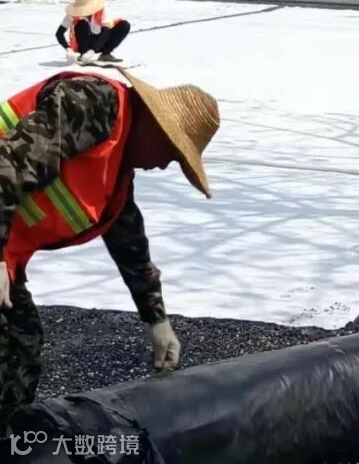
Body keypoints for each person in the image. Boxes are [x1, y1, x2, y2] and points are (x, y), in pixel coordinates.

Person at [0, 68, 220, 430]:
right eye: (172, 152)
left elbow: (128, 240)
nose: (164, 164)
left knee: (19, 351)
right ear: (155, 126)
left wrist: (156, 318)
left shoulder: (115, 174)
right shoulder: (92, 103)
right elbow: (7, 163)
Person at [55, 0, 131, 66]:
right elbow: (59, 33)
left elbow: (106, 31)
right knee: (81, 23)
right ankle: (83, 54)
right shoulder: (73, 13)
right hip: (84, 42)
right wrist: (68, 49)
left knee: (124, 25)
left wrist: (92, 51)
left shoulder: (101, 10)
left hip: (101, 39)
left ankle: (105, 54)